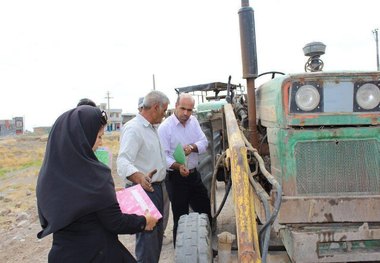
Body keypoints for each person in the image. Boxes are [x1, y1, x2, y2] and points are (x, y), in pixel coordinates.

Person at [36, 105, 157, 263]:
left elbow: (72, 203)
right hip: (97, 254)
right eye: (99, 136)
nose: (100, 143)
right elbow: (115, 222)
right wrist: (144, 221)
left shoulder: (49, 175)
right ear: (82, 137)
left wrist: (106, 194)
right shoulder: (95, 175)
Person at [117, 90, 170, 262]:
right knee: (147, 243)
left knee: (155, 240)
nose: (164, 115)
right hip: (143, 191)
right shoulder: (134, 129)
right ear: (155, 107)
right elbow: (123, 162)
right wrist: (139, 177)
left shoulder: (152, 128)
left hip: (157, 189)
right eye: (164, 111)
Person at [157, 93, 212, 246]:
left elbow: (204, 142)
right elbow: (164, 157)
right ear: (176, 106)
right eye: (183, 109)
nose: (186, 113)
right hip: (176, 178)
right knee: (181, 217)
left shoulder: (193, 122)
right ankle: (181, 252)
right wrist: (178, 166)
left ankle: (206, 247)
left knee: (205, 210)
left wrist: (192, 147)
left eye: (190, 110)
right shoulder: (165, 128)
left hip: (194, 175)